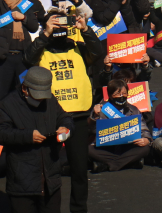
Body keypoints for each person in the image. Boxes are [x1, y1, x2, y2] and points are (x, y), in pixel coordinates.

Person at [25, 11, 102, 213]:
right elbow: (28, 58)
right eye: (55, 24)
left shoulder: (79, 48)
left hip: (77, 116)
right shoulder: (42, 49)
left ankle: (79, 209)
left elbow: (97, 52)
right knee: (49, 169)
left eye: (62, 24)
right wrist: (46, 32)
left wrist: (85, 29)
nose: (59, 28)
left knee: (78, 169)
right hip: (50, 116)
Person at [0, 66, 73, 213]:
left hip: (51, 178)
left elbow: (65, 117)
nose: (41, 100)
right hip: (22, 180)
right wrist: (28, 136)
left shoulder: (50, 101)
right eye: (37, 95)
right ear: (25, 89)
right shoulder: (6, 104)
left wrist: (65, 128)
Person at [88, 79, 152, 172]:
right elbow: (92, 130)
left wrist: (146, 139)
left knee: (145, 149)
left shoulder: (133, 109)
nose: (121, 96)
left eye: (124, 93)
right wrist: (95, 116)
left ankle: (108, 165)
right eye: (117, 94)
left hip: (127, 147)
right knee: (88, 150)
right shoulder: (101, 109)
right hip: (106, 149)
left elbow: (144, 129)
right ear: (110, 95)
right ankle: (128, 163)